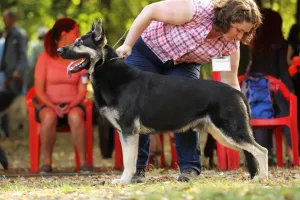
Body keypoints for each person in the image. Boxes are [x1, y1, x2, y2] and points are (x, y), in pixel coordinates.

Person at [116, 0, 262, 182]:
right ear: (227, 19)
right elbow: (149, 11)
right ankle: (136, 171)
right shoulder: (195, 11)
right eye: (238, 30)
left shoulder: (230, 45)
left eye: (245, 33)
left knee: (189, 106)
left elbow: (229, 81)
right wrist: (128, 45)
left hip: (184, 64)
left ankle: (189, 168)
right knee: (138, 108)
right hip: (147, 53)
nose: (240, 37)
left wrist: (238, 112)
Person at [34, 18, 91, 173]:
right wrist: (54, 107)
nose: (79, 36)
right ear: (65, 34)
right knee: (49, 116)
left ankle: (84, 162)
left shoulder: (80, 59)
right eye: (76, 32)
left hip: (73, 105)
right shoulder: (44, 58)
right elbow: (38, 90)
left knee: (75, 116)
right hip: (50, 105)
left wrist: (71, 105)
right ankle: (47, 163)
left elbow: (82, 89)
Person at [248, 9, 294, 165]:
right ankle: (294, 152)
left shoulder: (254, 43)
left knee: (261, 111)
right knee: (287, 107)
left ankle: (266, 154)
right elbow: (282, 71)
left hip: (252, 90)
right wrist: (291, 92)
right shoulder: (280, 44)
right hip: (273, 87)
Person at [0, 9, 29, 137]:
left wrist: (17, 71)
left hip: (16, 79)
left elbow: (23, 57)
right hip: (6, 76)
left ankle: (20, 132)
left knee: (18, 105)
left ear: (12, 19)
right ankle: (8, 131)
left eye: (5, 18)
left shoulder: (19, 34)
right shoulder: (8, 34)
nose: (3, 21)